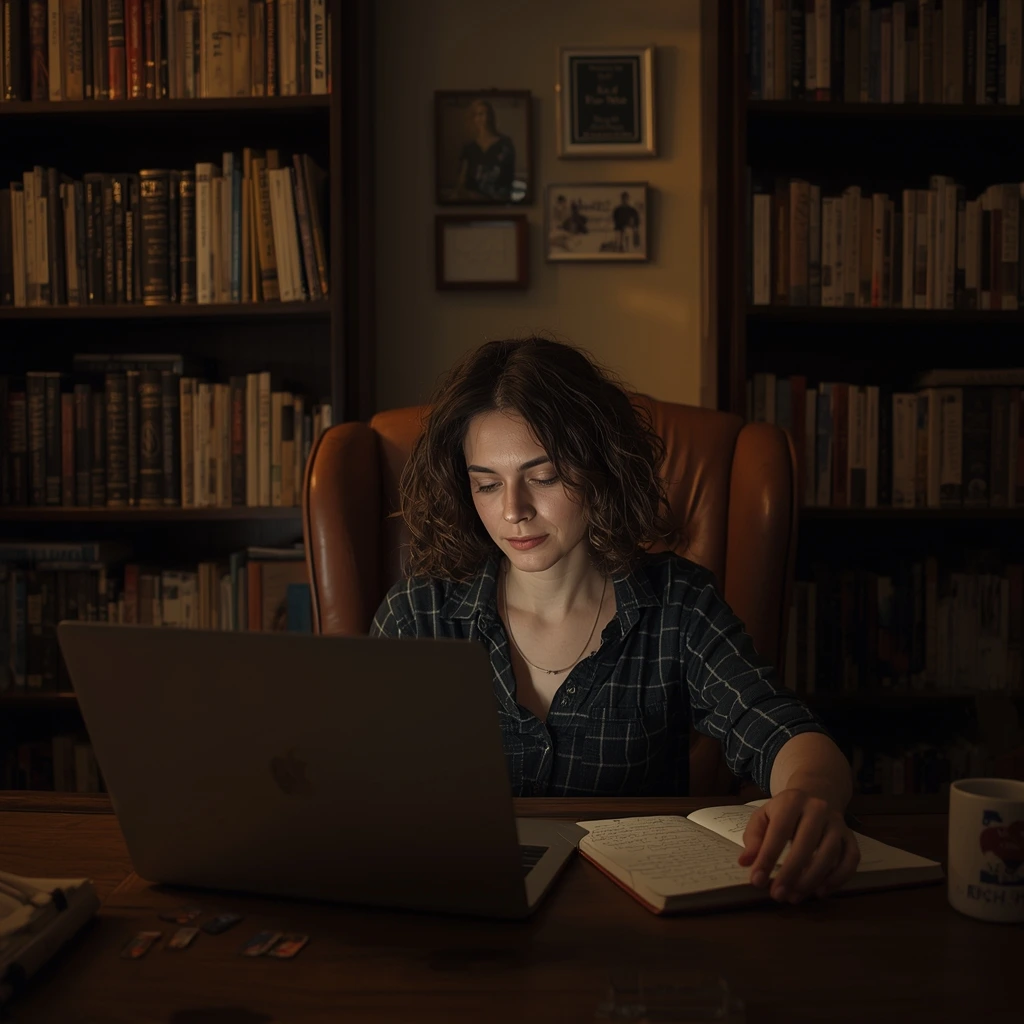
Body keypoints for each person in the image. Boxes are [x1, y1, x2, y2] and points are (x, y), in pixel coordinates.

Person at [371, 337, 860, 905]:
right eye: (487, 483)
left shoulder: (676, 604)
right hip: (460, 913)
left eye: (545, 476)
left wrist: (813, 798)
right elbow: (357, 781)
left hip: (632, 922)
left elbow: (779, 727)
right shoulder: (418, 614)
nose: (513, 510)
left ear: (599, 464)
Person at [456, 98, 516, 202]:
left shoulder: (504, 144)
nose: (485, 118)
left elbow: (509, 178)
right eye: (480, 114)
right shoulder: (469, 148)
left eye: (487, 114)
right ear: (473, 118)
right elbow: (462, 182)